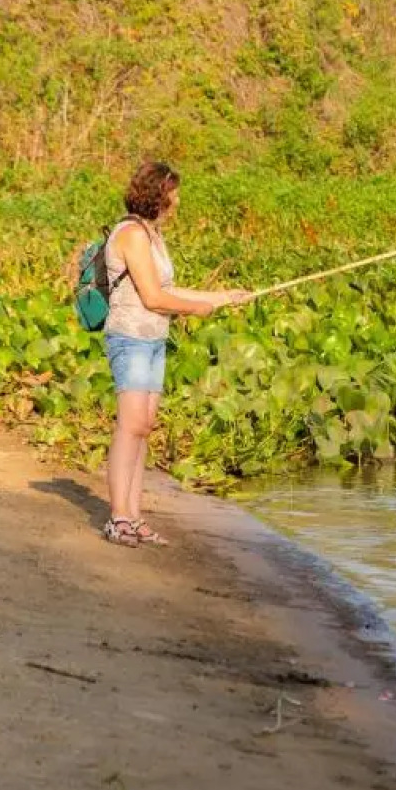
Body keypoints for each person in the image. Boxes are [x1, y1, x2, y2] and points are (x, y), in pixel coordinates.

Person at [101, 161, 248, 547]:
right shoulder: (131, 233)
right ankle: (118, 517)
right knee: (130, 424)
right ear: (157, 194)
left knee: (144, 426)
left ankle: (134, 515)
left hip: (153, 339)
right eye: (173, 192)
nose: (177, 200)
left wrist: (222, 298)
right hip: (129, 337)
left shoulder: (153, 234)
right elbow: (152, 297)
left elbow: (171, 288)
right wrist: (195, 309)